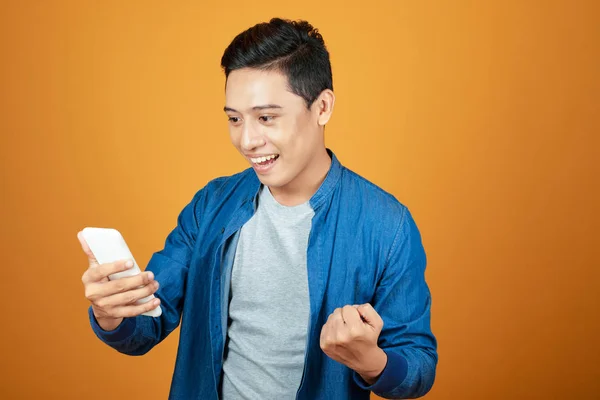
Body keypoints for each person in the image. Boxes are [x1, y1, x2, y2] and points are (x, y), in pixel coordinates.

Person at [78, 17, 437, 400]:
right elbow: (148, 323)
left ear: (323, 107)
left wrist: (371, 361)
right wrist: (111, 314)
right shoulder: (211, 204)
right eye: (234, 119)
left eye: (266, 117)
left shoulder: (387, 225)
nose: (247, 140)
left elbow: (418, 366)